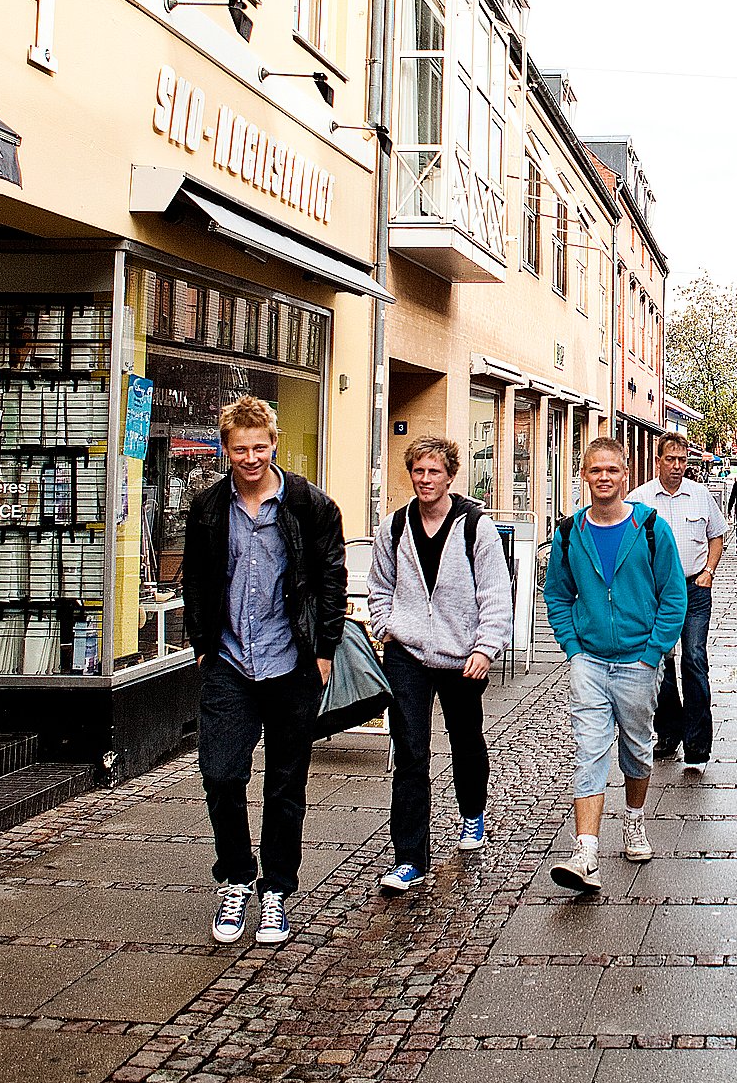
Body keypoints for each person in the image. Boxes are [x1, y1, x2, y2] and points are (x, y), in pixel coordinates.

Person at [183, 395, 347, 947]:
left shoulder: (310, 505)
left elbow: (331, 578)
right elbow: (198, 579)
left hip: (291, 661)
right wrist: (201, 640)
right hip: (228, 661)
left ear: (274, 445)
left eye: (259, 447)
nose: (249, 458)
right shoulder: (207, 507)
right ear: (225, 450)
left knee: (284, 784)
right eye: (239, 449)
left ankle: (275, 891)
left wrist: (324, 649)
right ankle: (235, 877)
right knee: (221, 775)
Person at [541, 436, 687, 894]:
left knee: (637, 748)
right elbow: (558, 596)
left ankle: (635, 821)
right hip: (589, 660)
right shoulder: (569, 534)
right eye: (595, 470)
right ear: (583, 476)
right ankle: (585, 851)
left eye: (612, 470)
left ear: (626, 476)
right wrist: (573, 647)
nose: (604, 477)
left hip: (638, 662)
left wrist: (653, 652)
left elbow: (674, 595)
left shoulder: (650, 527)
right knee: (589, 748)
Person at [368, 436, 513, 892]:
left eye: (434, 472)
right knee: (409, 749)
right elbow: (379, 583)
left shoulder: (476, 527)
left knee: (466, 740)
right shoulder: (394, 526)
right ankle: (410, 857)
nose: (425, 479)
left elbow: (494, 592)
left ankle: (472, 812)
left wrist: (485, 648)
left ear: (451, 475)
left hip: (461, 655)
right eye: (418, 471)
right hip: (406, 652)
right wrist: (384, 625)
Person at [631, 434, 729, 770]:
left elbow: (717, 535)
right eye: (670, 459)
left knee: (695, 660)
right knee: (661, 663)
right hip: (656, 594)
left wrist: (709, 571)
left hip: (694, 588)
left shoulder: (700, 496)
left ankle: (698, 744)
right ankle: (669, 732)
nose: (676, 466)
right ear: (658, 460)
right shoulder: (639, 500)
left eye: (682, 460)